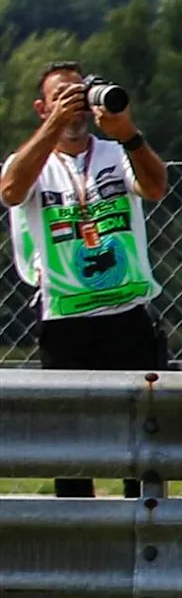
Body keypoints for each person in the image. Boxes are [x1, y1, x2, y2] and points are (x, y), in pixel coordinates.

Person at [3, 64, 172, 497]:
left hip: (127, 315)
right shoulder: (34, 162)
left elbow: (155, 187)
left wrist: (128, 131)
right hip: (65, 319)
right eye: (61, 97)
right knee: (72, 448)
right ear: (41, 108)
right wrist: (54, 126)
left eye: (79, 94)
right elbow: (11, 191)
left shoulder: (117, 154)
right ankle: (83, 546)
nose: (74, 104)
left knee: (143, 441)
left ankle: (147, 534)